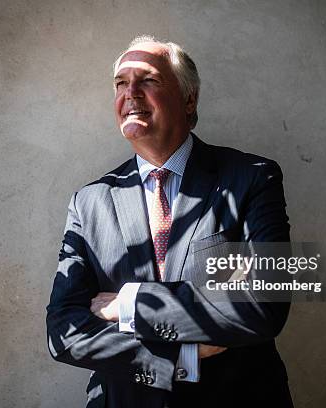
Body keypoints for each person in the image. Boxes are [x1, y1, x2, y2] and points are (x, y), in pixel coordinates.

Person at [46, 35, 294, 407]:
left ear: (189, 98)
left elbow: (265, 304)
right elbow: (63, 332)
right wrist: (181, 358)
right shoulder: (89, 202)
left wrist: (129, 303)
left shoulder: (253, 178)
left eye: (148, 81)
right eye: (120, 84)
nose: (130, 93)